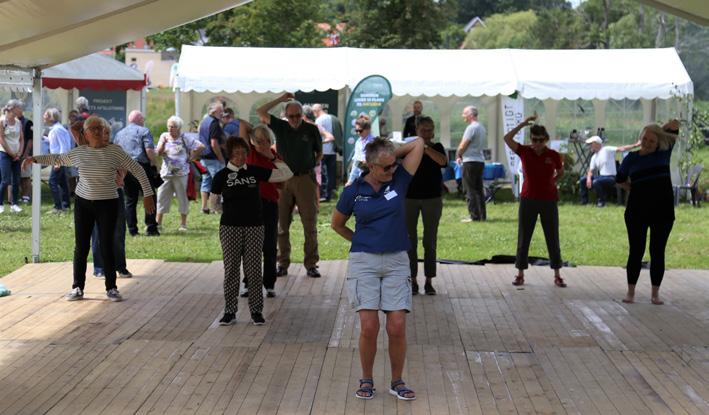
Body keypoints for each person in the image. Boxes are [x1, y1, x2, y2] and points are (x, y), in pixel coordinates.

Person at [23, 116, 155, 302]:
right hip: (83, 204)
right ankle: (77, 287)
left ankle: (111, 288)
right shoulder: (79, 152)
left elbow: (138, 170)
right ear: (85, 134)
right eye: (93, 129)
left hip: (107, 203)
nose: (98, 132)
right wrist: (34, 159)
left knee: (106, 244)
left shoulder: (114, 152)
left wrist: (148, 194)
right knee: (81, 246)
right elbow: (58, 158)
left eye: (100, 128)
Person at [332, 136, 424, 401]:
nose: (392, 169)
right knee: (369, 326)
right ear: (370, 166)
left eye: (394, 164)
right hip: (365, 262)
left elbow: (418, 143)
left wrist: (389, 154)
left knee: (397, 326)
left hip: (396, 261)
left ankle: (397, 381)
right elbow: (337, 224)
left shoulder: (399, 179)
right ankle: (367, 379)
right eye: (385, 167)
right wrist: (361, 241)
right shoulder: (353, 191)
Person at [209, 136, 293, 326]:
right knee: (231, 269)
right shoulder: (221, 176)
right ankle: (230, 312)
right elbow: (214, 203)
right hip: (230, 228)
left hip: (255, 226)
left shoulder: (255, 171)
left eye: (243, 153)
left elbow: (286, 174)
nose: (240, 157)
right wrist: (229, 212)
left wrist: (273, 157)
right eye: (236, 153)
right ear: (229, 155)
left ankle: (256, 311)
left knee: (254, 269)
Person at [256, 92, 322, 278]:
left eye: (298, 115)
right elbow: (260, 111)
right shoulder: (280, 126)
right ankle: (282, 263)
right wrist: (280, 99)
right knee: (281, 224)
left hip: (304, 179)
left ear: (302, 115)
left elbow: (319, 152)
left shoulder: (311, 129)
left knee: (310, 224)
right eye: (291, 116)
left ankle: (311, 264)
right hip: (283, 180)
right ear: (286, 115)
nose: (294, 119)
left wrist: (311, 166)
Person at [616, 120, 679, 305]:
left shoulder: (664, 153)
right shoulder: (631, 158)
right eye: (645, 139)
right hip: (637, 210)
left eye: (652, 140)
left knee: (657, 251)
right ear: (640, 138)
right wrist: (633, 188)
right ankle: (631, 292)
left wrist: (660, 130)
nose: (648, 143)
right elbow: (620, 179)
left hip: (663, 211)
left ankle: (655, 294)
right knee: (636, 251)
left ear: (659, 142)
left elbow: (675, 125)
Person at [503, 115, 567, 288]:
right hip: (528, 199)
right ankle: (520, 273)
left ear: (546, 140)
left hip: (548, 200)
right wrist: (523, 124)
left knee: (552, 236)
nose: (537, 143)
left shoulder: (553, 155)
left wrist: (552, 182)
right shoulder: (525, 151)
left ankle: (557, 274)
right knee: (524, 237)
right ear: (530, 139)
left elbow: (561, 172)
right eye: (534, 140)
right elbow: (507, 138)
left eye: (540, 140)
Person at [405, 117, 447, 295]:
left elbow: (443, 162)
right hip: (410, 198)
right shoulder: (409, 147)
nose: (427, 133)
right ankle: (412, 280)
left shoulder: (437, 147)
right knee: (409, 241)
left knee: (430, 241)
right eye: (423, 130)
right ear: (417, 130)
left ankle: (429, 281)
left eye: (430, 130)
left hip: (432, 199)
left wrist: (426, 148)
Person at [240, 125, 283, 299]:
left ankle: (270, 283)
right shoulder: (249, 153)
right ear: (253, 141)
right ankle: (249, 283)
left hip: (270, 205)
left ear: (270, 141)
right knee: (250, 246)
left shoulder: (275, 157)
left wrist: (272, 157)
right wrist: (254, 133)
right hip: (250, 205)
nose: (262, 144)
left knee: (270, 245)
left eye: (265, 141)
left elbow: (283, 181)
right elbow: (243, 125)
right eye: (258, 141)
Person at [88, 122, 132, 279]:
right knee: (98, 232)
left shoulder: (116, 149)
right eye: (101, 133)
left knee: (118, 231)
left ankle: (120, 266)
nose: (104, 136)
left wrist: (121, 177)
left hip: (115, 194)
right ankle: (100, 267)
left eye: (107, 133)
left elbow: (125, 165)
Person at [155, 116, 205, 232]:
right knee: (161, 197)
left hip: (181, 173)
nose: (170, 129)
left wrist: (192, 157)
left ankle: (183, 224)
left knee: (182, 198)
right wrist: (163, 144)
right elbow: (158, 153)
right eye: (169, 126)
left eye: (173, 127)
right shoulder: (164, 136)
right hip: (166, 173)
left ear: (179, 128)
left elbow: (201, 146)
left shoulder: (185, 137)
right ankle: (158, 223)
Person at [114, 110, 159, 236]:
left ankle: (132, 230)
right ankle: (151, 228)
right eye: (143, 119)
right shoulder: (144, 131)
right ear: (139, 119)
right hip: (141, 167)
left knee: (130, 199)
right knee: (149, 196)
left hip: (125, 168)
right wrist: (155, 164)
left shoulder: (119, 134)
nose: (144, 121)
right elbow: (149, 150)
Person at [580, 136, 639, 207]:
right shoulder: (594, 156)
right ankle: (584, 202)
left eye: (591, 144)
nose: (590, 146)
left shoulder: (606, 149)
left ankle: (601, 203)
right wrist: (588, 178)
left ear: (596, 143)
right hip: (601, 177)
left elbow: (622, 149)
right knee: (583, 180)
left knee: (596, 182)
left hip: (611, 177)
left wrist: (636, 145)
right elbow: (590, 170)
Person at [456, 105, 488, 222]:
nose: (463, 116)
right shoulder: (481, 127)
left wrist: (458, 154)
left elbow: (464, 144)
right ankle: (481, 215)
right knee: (478, 189)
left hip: (470, 161)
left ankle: (474, 216)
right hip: (479, 160)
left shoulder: (471, 128)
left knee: (469, 189)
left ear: (470, 115)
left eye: (464, 113)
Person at [198, 102, 226, 214]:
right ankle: (217, 208)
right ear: (214, 112)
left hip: (204, 157)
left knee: (206, 182)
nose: (222, 113)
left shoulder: (204, 121)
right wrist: (221, 157)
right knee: (219, 183)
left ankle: (204, 207)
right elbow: (214, 143)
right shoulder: (214, 123)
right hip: (213, 158)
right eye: (221, 111)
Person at [43, 108, 73, 213]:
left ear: (51, 117)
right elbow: (55, 142)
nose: (43, 117)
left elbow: (64, 146)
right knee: (63, 183)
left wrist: (58, 162)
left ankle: (58, 207)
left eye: (45, 115)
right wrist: (43, 138)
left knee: (52, 182)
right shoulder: (56, 129)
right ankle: (66, 205)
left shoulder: (58, 129)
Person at [6, 100, 33, 204]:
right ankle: (11, 199)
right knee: (10, 177)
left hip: (23, 153)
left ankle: (25, 196)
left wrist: (25, 153)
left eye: (19, 109)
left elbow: (30, 140)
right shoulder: (6, 121)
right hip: (9, 153)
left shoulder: (27, 122)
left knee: (25, 176)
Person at [0, 104, 25, 213]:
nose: (20, 111)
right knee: (5, 180)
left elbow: (21, 139)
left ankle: (14, 204)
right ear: (11, 109)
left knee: (16, 180)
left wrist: (19, 153)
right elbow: (1, 139)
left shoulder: (18, 122)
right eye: (18, 109)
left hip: (16, 155)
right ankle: (0, 204)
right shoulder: (2, 121)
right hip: (5, 153)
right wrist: (11, 153)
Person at [313, 104, 337, 202]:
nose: (313, 114)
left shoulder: (319, 120)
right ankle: (329, 194)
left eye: (314, 112)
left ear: (317, 110)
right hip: (332, 150)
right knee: (331, 174)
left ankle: (323, 194)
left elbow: (317, 135)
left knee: (322, 174)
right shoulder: (332, 118)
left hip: (323, 150)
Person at [346, 117, 374, 186]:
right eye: (356, 130)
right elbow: (356, 162)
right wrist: (350, 180)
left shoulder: (373, 142)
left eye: (360, 130)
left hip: (371, 175)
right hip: (360, 174)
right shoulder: (358, 141)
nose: (358, 133)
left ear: (368, 129)